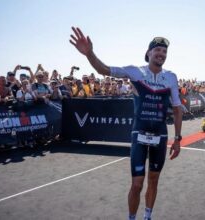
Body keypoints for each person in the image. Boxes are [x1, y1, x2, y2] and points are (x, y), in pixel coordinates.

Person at [70, 27, 183, 220]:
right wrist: (89, 54)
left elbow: (178, 107)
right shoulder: (135, 72)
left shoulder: (171, 77)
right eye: (157, 50)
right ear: (148, 53)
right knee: (137, 184)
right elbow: (104, 70)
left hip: (160, 135)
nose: (161, 54)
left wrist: (178, 138)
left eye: (164, 52)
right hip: (139, 134)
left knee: (153, 181)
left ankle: (147, 216)